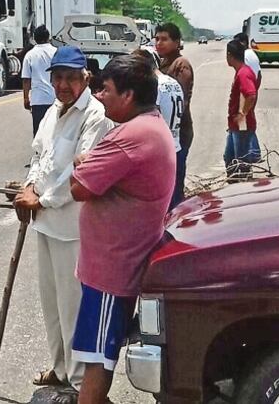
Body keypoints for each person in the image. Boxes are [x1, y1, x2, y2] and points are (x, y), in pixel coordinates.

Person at [68, 55, 175, 404]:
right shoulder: (149, 124)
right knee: (101, 354)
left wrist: (83, 163)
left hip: (112, 270)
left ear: (128, 96)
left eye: (106, 90)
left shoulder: (130, 136)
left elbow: (79, 187)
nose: (99, 96)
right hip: (119, 262)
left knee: (97, 361)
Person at [13, 45, 114, 396]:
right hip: (44, 222)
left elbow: (80, 171)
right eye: (58, 78)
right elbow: (39, 154)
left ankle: (77, 383)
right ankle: (59, 368)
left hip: (73, 226)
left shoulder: (95, 114)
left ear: (85, 77)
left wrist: (41, 198)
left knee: (72, 308)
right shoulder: (53, 111)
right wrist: (28, 188)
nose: (64, 85)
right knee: (51, 303)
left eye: (71, 78)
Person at [155, 22, 194, 209]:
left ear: (177, 42)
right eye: (157, 39)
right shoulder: (162, 64)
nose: (159, 43)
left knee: (176, 180)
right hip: (166, 130)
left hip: (180, 129)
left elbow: (180, 97)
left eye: (164, 39)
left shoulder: (181, 65)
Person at [133, 48, 184, 154]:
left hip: (159, 148)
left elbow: (151, 118)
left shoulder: (152, 85)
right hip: (175, 144)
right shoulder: (174, 82)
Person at [224, 41, 260, 172]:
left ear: (229, 55)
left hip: (242, 126)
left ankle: (244, 187)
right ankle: (232, 185)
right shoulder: (241, 71)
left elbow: (251, 95)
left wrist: (242, 114)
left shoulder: (243, 73)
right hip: (236, 126)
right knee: (230, 159)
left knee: (242, 162)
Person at [21, 25, 58, 136]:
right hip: (56, 99)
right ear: (48, 38)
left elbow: (26, 79)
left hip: (38, 101)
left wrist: (26, 98)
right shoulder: (56, 52)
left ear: (35, 38)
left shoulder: (30, 55)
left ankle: (39, 153)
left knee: (39, 134)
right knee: (55, 132)